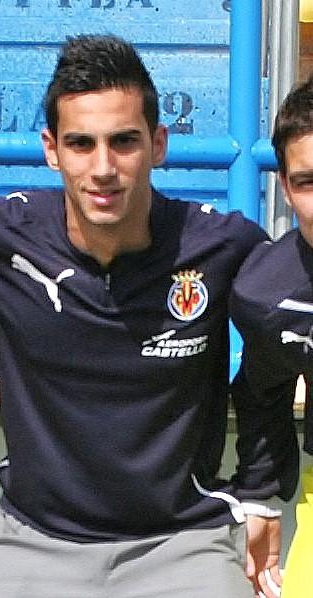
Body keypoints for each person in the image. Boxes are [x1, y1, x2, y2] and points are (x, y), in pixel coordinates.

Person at [0, 34, 290, 598]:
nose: (103, 167)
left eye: (124, 142)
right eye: (81, 143)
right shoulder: (0, 235)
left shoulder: (221, 247)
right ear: (51, 149)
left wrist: (258, 490)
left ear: (158, 144)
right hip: (30, 539)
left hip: (183, 542)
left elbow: (276, 348)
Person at [230, 74, 313, 598]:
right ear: (284, 187)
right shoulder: (269, 292)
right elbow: (263, 390)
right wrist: (259, 495)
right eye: (309, 182)